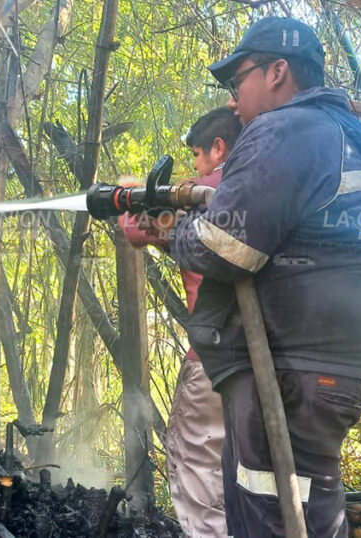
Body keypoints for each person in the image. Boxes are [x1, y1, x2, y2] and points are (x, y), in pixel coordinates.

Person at [166, 17, 361, 537]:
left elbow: (225, 246)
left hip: (293, 364)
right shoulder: (343, 131)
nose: (233, 102)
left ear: (278, 71)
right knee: (306, 505)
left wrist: (172, 230)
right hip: (335, 362)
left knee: (270, 514)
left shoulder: (288, 129)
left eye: (239, 82)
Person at [117, 108, 242, 537]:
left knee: (196, 464)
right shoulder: (265, 188)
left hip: (213, 361)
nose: (194, 167)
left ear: (218, 149)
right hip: (269, 363)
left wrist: (127, 195)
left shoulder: (207, 193)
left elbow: (139, 229)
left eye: (196, 155)